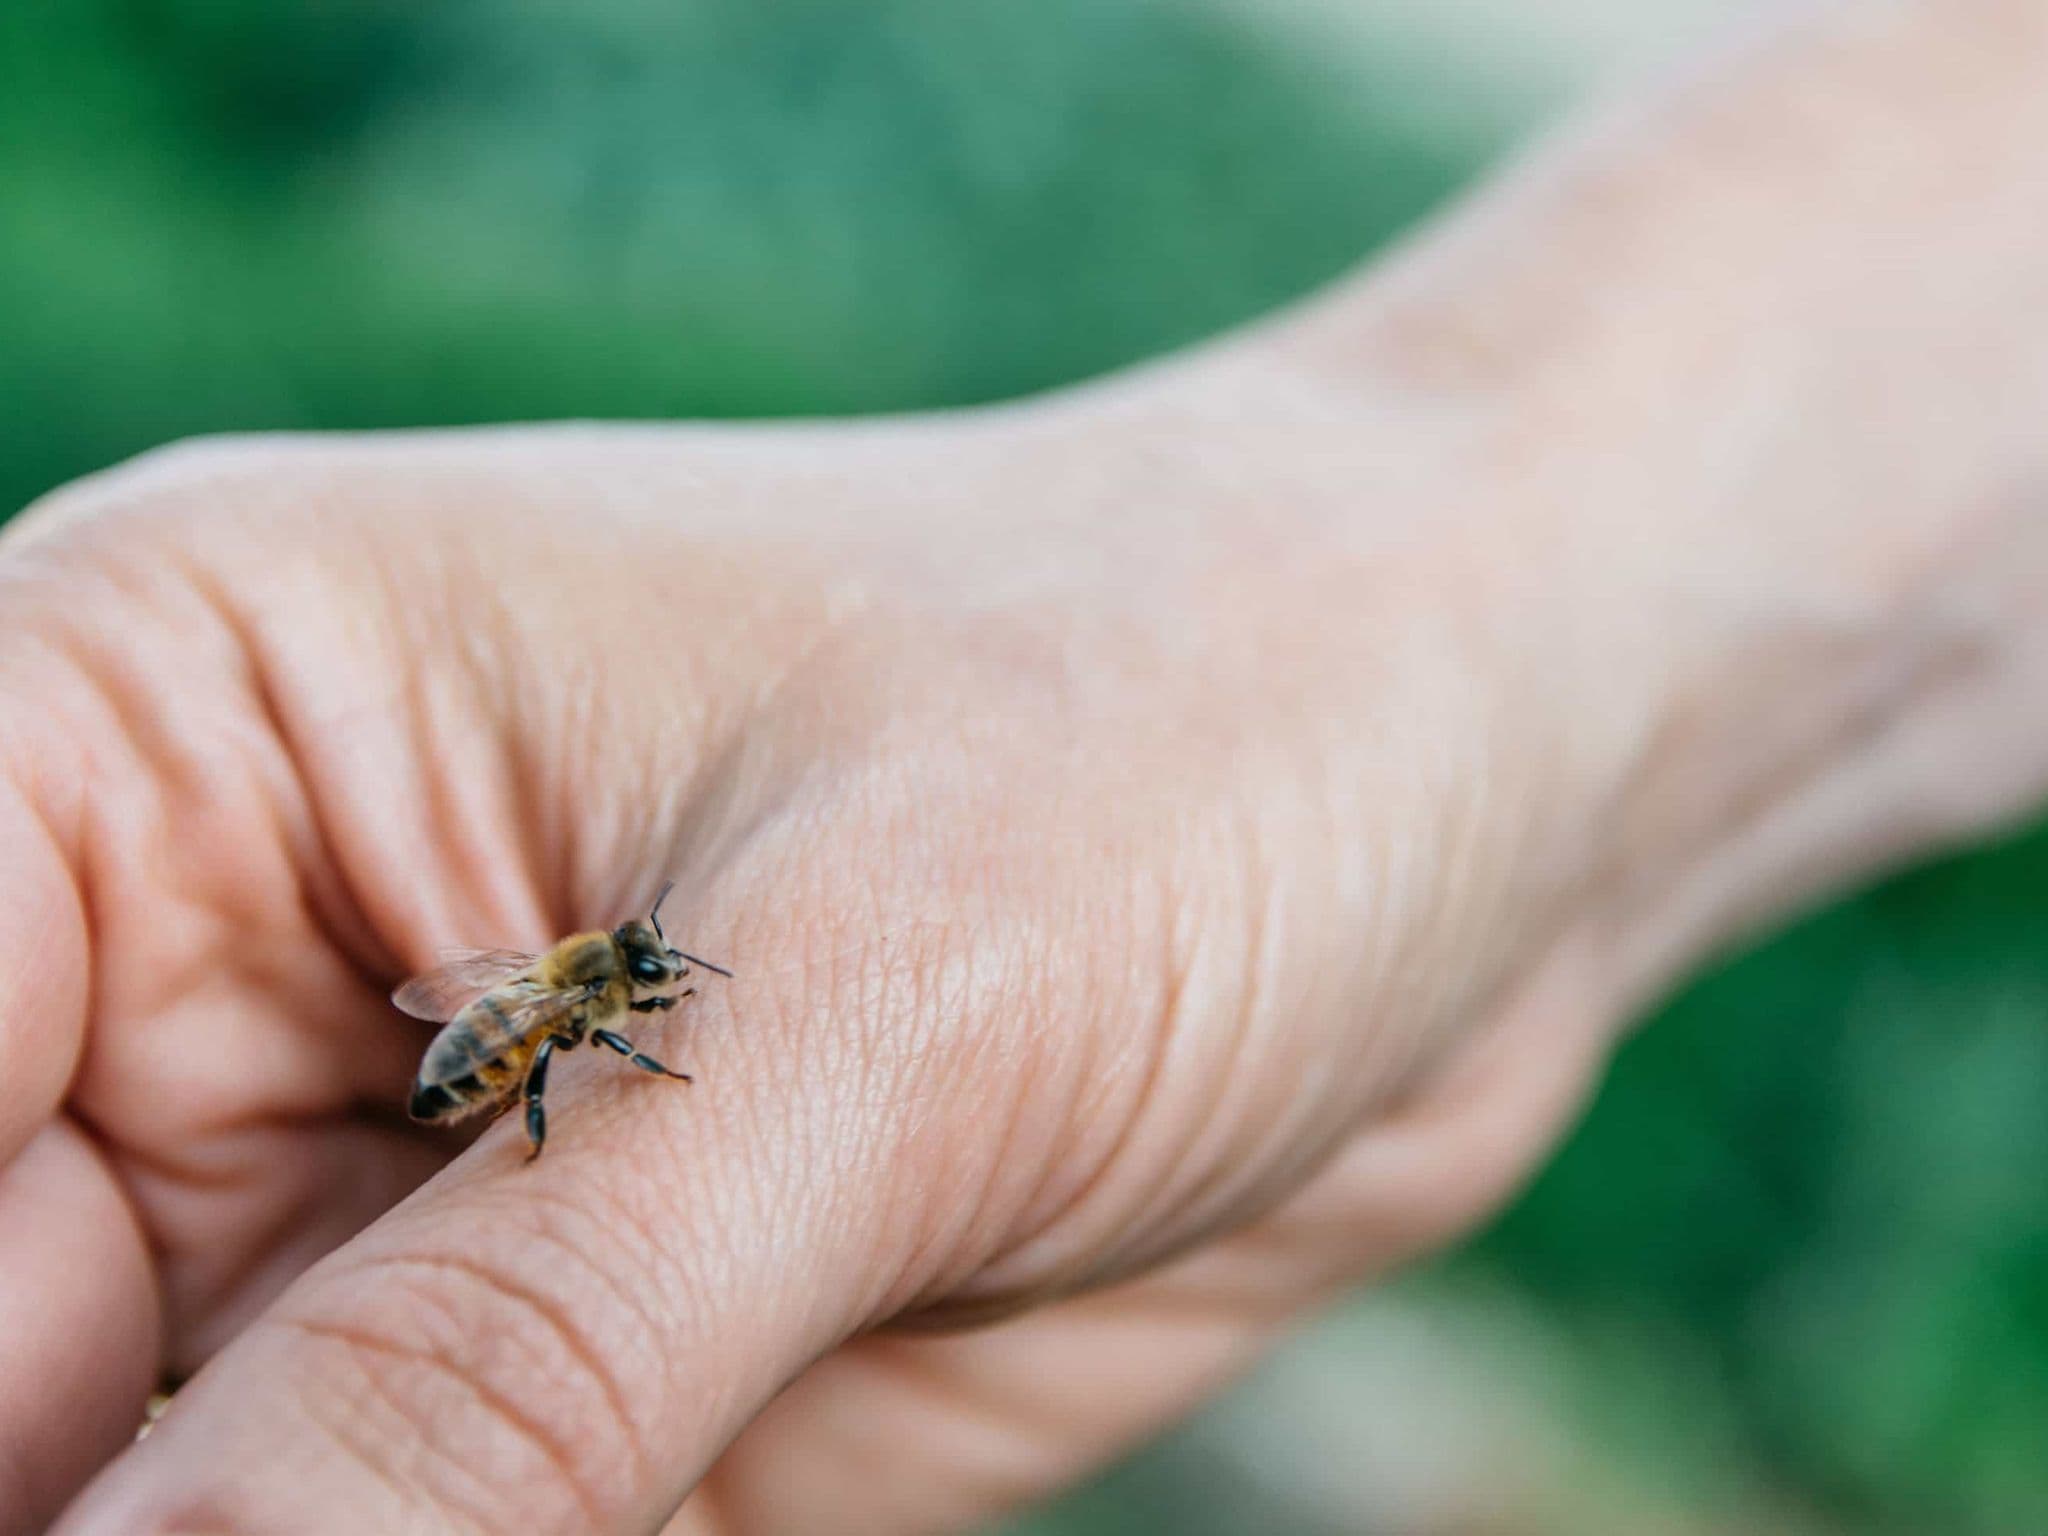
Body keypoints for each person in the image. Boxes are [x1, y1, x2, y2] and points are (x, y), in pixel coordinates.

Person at [6, 1, 2044, 1531]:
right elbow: (522, 1040)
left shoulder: (573, 984)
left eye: (628, 985)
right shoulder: (566, 1010)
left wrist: (1491, 613)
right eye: (631, 987)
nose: (636, 990)